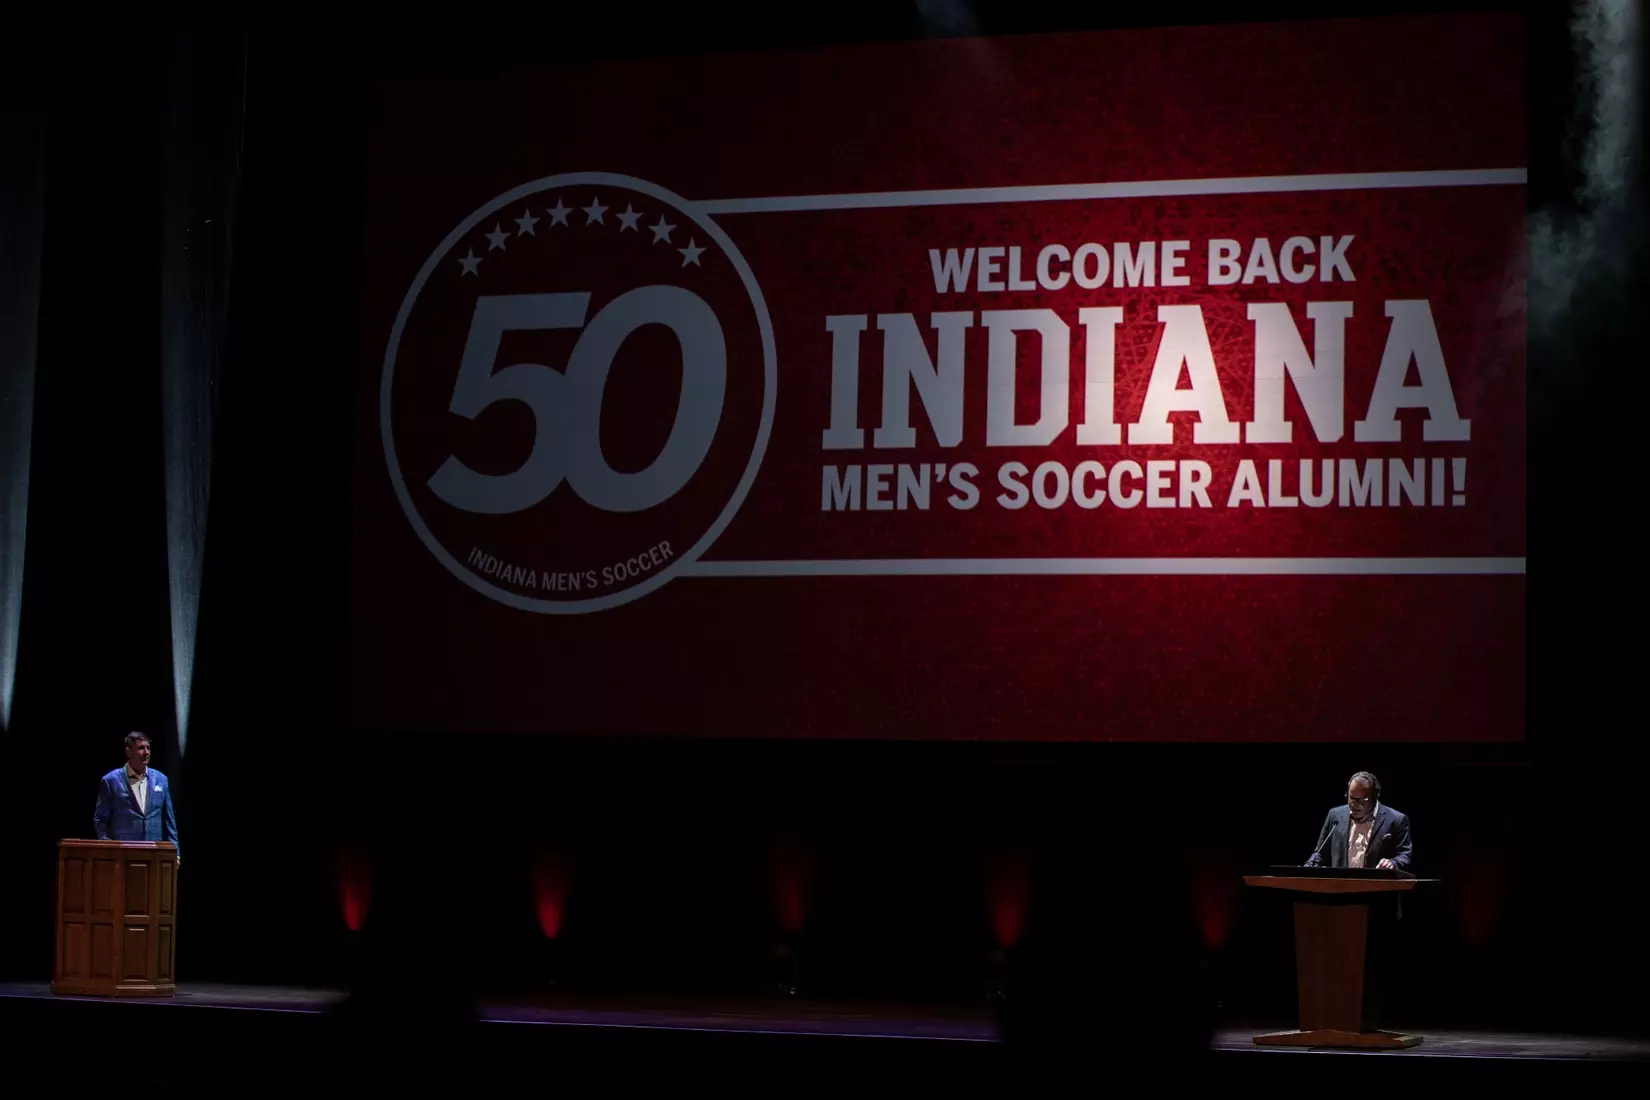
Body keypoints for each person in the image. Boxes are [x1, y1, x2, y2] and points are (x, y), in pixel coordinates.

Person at [93, 732, 180, 864]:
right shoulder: (110, 781)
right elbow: (101, 819)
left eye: (148, 748)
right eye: (141, 748)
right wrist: (107, 847)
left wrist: (176, 853)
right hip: (123, 856)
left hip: (154, 856)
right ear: (128, 752)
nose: (146, 752)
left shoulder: (161, 779)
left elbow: (169, 820)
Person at [1304, 771, 1411, 871]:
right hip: (1340, 886)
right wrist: (1309, 866)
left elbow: (1405, 855)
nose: (1354, 804)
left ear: (1375, 796)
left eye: (1361, 800)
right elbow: (1320, 853)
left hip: (1377, 887)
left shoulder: (1396, 820)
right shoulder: (1335, 815)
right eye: (1351, 798)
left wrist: (1393, 863)